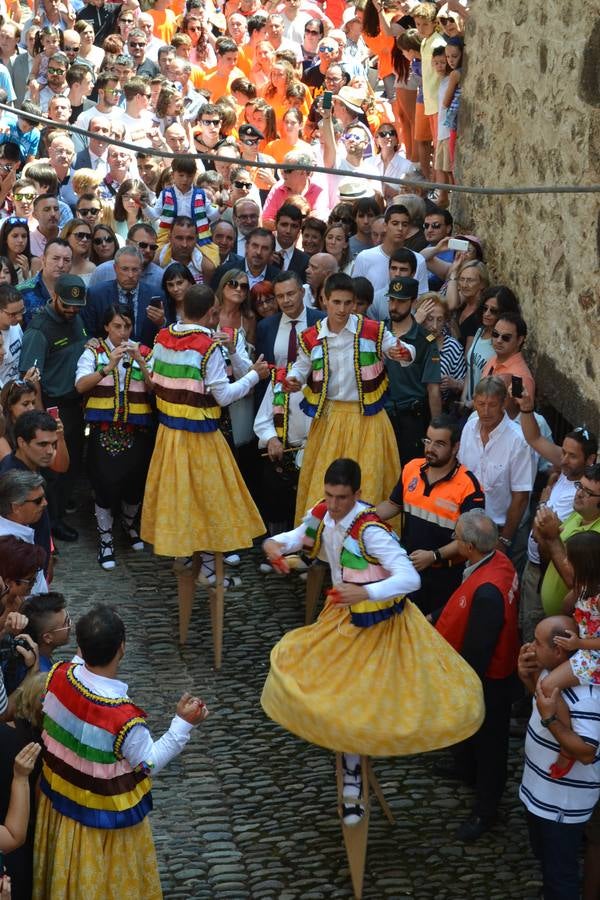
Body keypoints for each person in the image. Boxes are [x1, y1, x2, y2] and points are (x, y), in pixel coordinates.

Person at [261, 458, 484, 824]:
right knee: (333, 691)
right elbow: (301, 534)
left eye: (342, 498)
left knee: (356, 701)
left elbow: (410, 578)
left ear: (358, 494)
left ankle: (354, 784)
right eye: (330, 496)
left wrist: (365, 593)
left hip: (377, 625)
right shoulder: (323, 512)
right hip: (342, 618)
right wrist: (274, 544)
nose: (333, 505)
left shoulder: (371, 531)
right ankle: (350, 773)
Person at [33, 603, 209, 900]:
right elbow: (147, 764)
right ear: (122, 649)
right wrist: (182, 724)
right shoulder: (123, 719)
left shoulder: (59, 676)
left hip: (59, 807)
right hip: (104, 827)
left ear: (80, 646)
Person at [140, 285, 269, 614]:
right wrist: (254, 376)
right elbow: (223, 396)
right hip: (200, 437)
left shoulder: (163, 337)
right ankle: (210, 570)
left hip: (169, 435)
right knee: (211, 502)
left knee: (180, 497)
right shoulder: (208, 347)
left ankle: (184, 554)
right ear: (212, 313)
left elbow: (153, 378)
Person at [286, 272, 414, 523]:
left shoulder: (373, 330)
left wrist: (404, 352)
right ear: (324, 300)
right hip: (330, 419)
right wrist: (294, 379)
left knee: (368, 485)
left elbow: (402, 348)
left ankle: (366, 547)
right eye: (336, 302)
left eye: (348, 303)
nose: (342, 309)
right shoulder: (311, 337)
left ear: (354, 302)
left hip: (369, 420)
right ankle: (321, 546)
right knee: (325, 486)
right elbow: (301, 367)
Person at [434, 510, 519, 842]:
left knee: (490, 746)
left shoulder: (486, 591)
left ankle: (487, 809)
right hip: (495, 669)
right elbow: (460, 604)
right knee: (476, 739)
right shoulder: (499, 562)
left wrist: (458, 681)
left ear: (468, 547)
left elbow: (478, 650)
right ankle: (465, 769)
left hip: (488, 681)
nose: (453, 542)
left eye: (456, 538)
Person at [518, 614, 600, 900]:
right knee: (550, 867)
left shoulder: (586, 694)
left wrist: (552, 719)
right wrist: (528, 678)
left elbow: (587, 752)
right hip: (539, 798)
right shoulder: (550, 675)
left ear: (559, 650)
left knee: (560, 878)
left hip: (561, 808)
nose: (531, 646)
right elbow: (543, 708)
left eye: (538, 643)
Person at [377, 415, 485, 614]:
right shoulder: (411, 468)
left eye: (439, 444)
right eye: (428, 440)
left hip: (445, 577)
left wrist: (434, 556)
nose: (430, 448)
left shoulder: (469, 486)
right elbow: (393, 504)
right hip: (408, 569)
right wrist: (362, 517)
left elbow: (471, 540)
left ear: (455, 447)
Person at [75, 304, 155, 570]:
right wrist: (108, 367)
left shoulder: (144, 351)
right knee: (104, 486)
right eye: (117, 326)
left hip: (136, 431)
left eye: (127, 327)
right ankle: (106, 539)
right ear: (107, 327)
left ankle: (129, 524)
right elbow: (80, 386)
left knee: (134, 485)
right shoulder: (94, 352)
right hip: (103, 431)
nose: (123, 332)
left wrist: (142, 362)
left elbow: (155, 389)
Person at [20, 276, 88, 541]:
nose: (72, 310)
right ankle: (52, 522)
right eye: (68, 305)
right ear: (55, 297)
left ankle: (60, 513)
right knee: (53, 469)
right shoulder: (39, 328)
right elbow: (30, 375)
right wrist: (42, 417)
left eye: (77, 306)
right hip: (52, 405)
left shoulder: (77, 319)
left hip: (75, 403)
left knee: (69, 466)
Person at [458, 376, 533, 552]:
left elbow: (520, 497)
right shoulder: (469, 427)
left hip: (500, 531)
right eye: (480, 403)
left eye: (492, 405)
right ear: (474, 401)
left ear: (504, 403)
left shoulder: (518, 441)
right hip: (467, 526)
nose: (485, 411)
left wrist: (504, 540)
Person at [382, 277, 442, 466]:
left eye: (401, 301)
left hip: (411, 419)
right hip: (381, 416)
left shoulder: (425, 340)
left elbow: (433, 389)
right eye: (391, 300)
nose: (394, 306)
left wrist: (436, 429)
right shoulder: (377, 332)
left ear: (413, 303)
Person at [535, 464, 600, 617]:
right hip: (550, 614)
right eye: (580, 486)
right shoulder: (578, 514)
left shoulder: (596, 536)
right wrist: (542, 535)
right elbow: (550, 555)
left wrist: (551, 538)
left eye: (588, 492)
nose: (579, 494)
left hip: (571, 627)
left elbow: (577, 582)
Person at [83, 247, 165, 347]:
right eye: (125, 269)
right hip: (107, 358)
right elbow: (86, 330)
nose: (130, 275)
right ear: (115, 268)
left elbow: (169, 328)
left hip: (146, 357)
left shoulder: (156, 294)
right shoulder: (96, 294)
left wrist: (161, 323)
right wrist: (89, 340)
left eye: (135, 269)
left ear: (141, 269)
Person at [0, 470, 49, 594]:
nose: (45, 503)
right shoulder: (6, 544)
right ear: (16, 507)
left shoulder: (20, 528)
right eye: (38, 500)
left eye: (44, 497)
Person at [22, 591, 70, 673]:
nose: (70, 625)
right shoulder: (44, 674)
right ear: (47, 637)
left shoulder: (33, 659)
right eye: (66, 622)